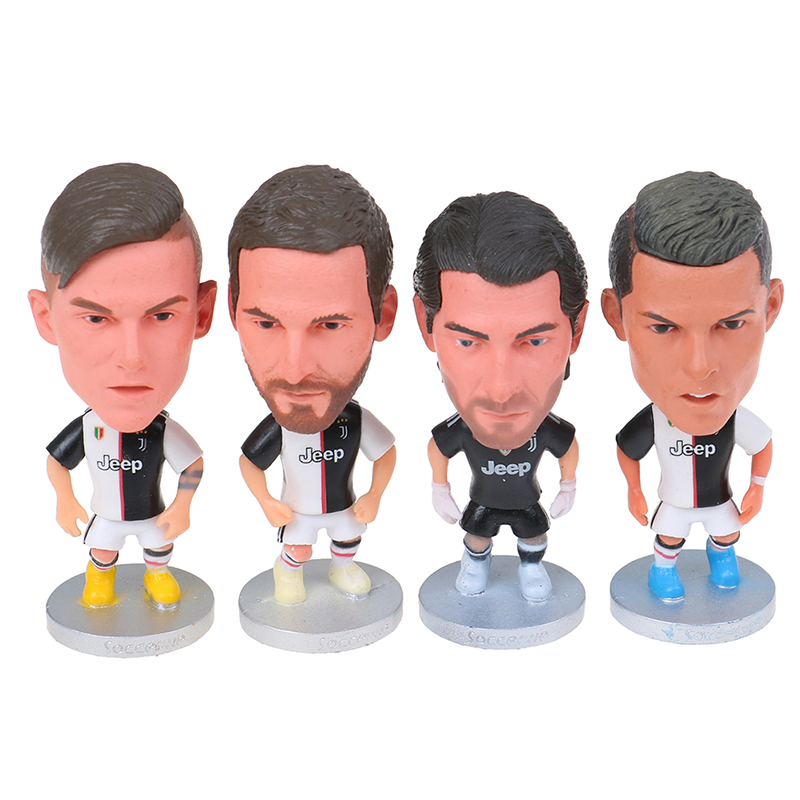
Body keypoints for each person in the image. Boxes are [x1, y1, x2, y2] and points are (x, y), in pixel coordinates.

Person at [29, 163, 217, 608]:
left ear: (201, 314)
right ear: (46, 319)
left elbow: (192, 466)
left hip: (154, 517)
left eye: (162, 315)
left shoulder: (163, 431)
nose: (132, 357)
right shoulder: (88, 428)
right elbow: (57, 463)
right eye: (96, 318)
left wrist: (182, 506)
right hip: (107, 518)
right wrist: (64, 500)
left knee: (158, 550)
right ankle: (99, 581)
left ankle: (157, 577)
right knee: (102, 551)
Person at [601, 171, 783, 600]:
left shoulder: (736, 419)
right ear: (617, 316)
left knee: (726, 535)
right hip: (673, 504)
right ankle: (664, 572)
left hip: (720, 501)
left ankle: (723, 561)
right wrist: (634, 489)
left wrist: (757, 487)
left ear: (771, 308)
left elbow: (761, 445)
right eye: (664, 327)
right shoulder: (654, 421)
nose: (700, 368)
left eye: (731, 324)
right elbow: (628, 449)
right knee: (669, 538)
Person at [229, 165, 397, 605]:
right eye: (266, 323)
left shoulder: (356, 420)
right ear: (232, 311)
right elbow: (250, 463)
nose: (295, 369)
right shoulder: (278, 427)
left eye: (331, 325)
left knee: (348, 540)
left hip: (344, 508)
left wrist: (375, 494)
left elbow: (386, 453)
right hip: (298, 513)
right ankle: (288, 573)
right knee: (299, 549)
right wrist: (266, 501)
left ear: (383, 315)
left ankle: (343, 568)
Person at [413, 191, 588, 600]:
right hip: (482, 505)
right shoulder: (462, 429)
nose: (502, 390)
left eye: (535, 341)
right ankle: (475, 564)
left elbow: (568, 448)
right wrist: (439, 488)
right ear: (426, 326)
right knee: (476, 538)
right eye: (468, 342)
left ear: (577, 330)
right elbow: (438, 447)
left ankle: (532, 569)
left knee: (533, 537)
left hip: (527, 505)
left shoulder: (547, 429)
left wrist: (568, 486)